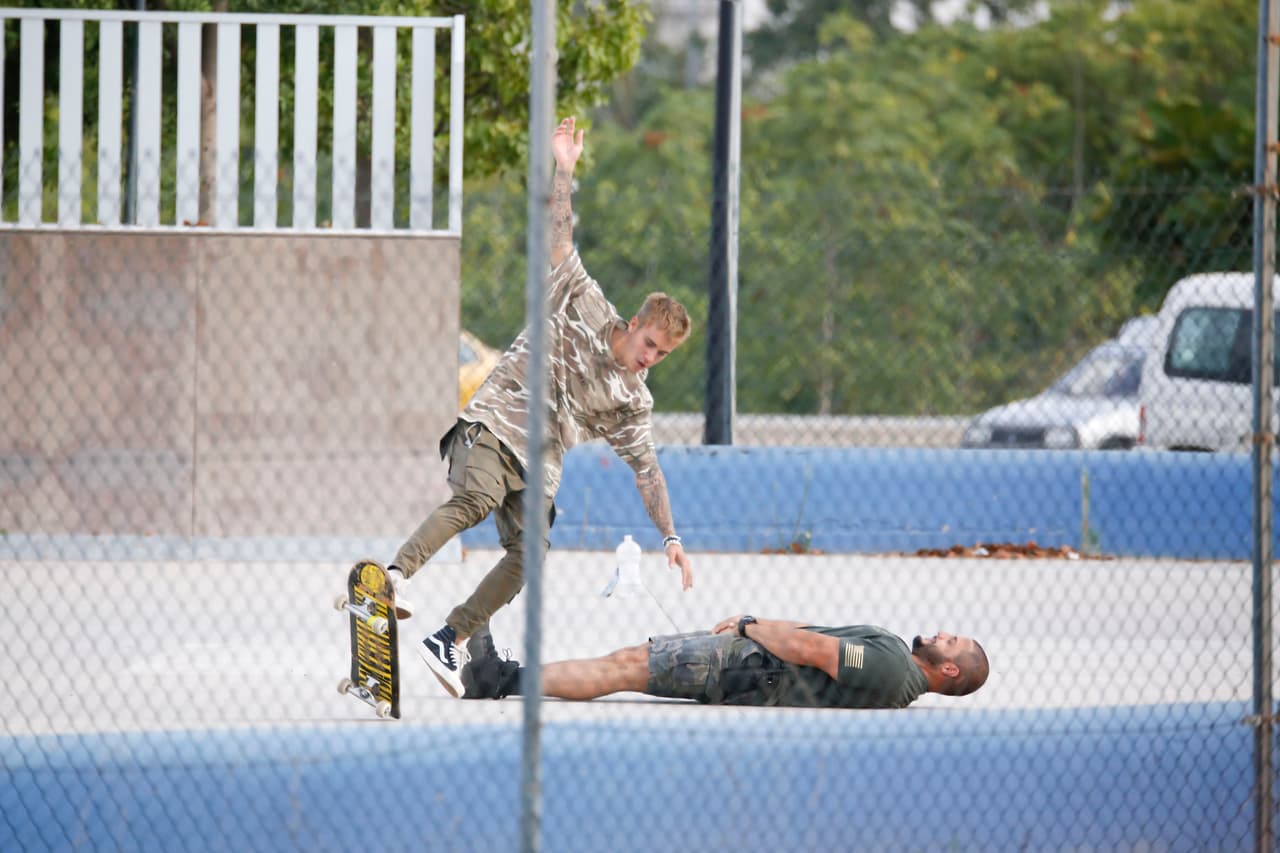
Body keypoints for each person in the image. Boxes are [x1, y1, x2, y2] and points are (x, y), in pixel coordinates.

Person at [386, 116, 695, 698]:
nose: (650, 358)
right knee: (476, 499)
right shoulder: (583, 299)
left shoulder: (633, 401)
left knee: (529, 556)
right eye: (649, 344)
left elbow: (647, 471)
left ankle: (447, 637)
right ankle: (394, 576)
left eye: (664, 354)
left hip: (540, 465)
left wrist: (671, 538)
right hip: (497, 423)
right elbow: (560, 240)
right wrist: (563, 171)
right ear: (632, 326)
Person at [459, 616, 989, 709]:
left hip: (750, 666)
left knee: (624, 667)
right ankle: (506, 677)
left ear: (949, 671)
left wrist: (747, 630)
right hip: (754, 658)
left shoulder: (894, 671)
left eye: (954, 641)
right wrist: (754, 620)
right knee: (625, 661)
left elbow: (812, 650)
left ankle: (500, 680)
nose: (944, 633)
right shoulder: (898, 662)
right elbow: (812, 633)